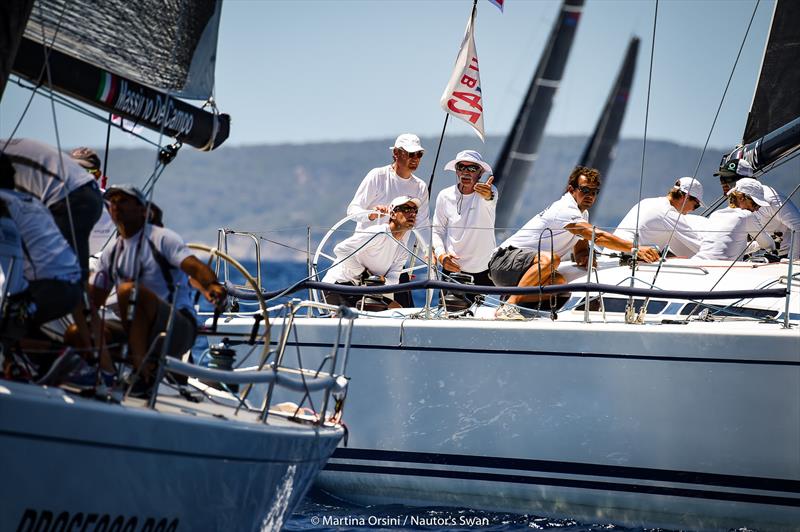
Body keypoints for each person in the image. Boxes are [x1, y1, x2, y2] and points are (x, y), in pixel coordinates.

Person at [89, 184, 227, 394]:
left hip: (177, 329)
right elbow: (93, 301)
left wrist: (212, 285)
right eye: (113, 202)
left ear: (143, 210)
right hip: (137, 330)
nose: (116, 206)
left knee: (128, 291)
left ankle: (141, 369)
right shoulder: (111, 252)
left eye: (124, 201)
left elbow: (196, 268)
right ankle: (103, 378)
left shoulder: (162, 238)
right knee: (78, 332)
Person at [489, 166, 660, 320]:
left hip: (521, 271)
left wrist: (585, 256)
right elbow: (597, 236)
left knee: (561, 285)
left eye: (594, 192)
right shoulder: (565, 209)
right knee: (550, 260)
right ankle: (510, 306)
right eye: (585, 190)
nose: (590, 196)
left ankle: (513, 300)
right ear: (571, 189)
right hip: (502, 262)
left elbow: (580, 249)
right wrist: (635, 249)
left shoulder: (581, 215)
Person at [0, 154, 82, 335]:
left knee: (7, 324)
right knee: (21, 333)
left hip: (46, 288)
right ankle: (63, 360)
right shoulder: (32, 202)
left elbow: (9, 256)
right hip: (71, 287)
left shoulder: (3, 203)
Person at [347, 133, 430, 306]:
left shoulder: (420, 187)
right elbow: (352, 210)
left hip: (394, 265)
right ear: (397, 154)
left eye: (419, 154)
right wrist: (370, 213)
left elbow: (422, 225)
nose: (415, 158)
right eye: (410, 154)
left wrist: (431, 252)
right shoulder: (377, 176)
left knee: (406, 316)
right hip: (364, 264)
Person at [1, 138, 103, 279]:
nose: (82, 174)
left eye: (89, 171)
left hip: (69, 202)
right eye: (77, 168)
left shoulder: (112, 206)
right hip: (61, 203)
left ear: (98, 175)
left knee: (66, 275)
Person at [323, 196, 419, 309]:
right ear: (393, 214)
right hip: (338, 285)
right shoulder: (378, 233)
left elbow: (393, 280)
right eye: (406, 209)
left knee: (397, 309)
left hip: (362, 290)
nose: (412, 214)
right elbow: (341, 249)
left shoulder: (402, 249)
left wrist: (382, 280)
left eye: (415, 211)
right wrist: (364, 274)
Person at [432, 150, 497, 287]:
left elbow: (490, 198)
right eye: (461, 167)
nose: (466, 172)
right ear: (456, 171)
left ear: (480, 173)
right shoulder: (444, 196)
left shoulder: (490, 191)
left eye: (472, 168)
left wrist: (488, 195)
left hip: (485, 271)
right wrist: (441, 256)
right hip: (453, 270)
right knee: (447, 309)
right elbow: (437, 231)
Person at [715, 158, 800, 259]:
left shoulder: (771, 198)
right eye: (722, 179)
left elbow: (798, 226)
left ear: (746, 180)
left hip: (785, 256)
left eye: (729, 179)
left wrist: (791, 261)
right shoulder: (736, 202)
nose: (723, 184)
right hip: (758, 258)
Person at [612, 177, 706, 257]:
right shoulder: (668, 213)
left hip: (609, 259)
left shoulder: (647, 202)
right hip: (627, 263)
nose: (694, 210)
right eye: (696, 205)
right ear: (686, 197)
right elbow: (699, 246)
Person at [694, 177, 775, 261]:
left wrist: (757, 245)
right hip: (719, 269)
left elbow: (731, 247)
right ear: (741, 198)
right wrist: (773, 243)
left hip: (698, 263)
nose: (757, 209)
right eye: (755, 204)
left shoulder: (715, 215)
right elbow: (768, 244)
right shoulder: (746, 215)